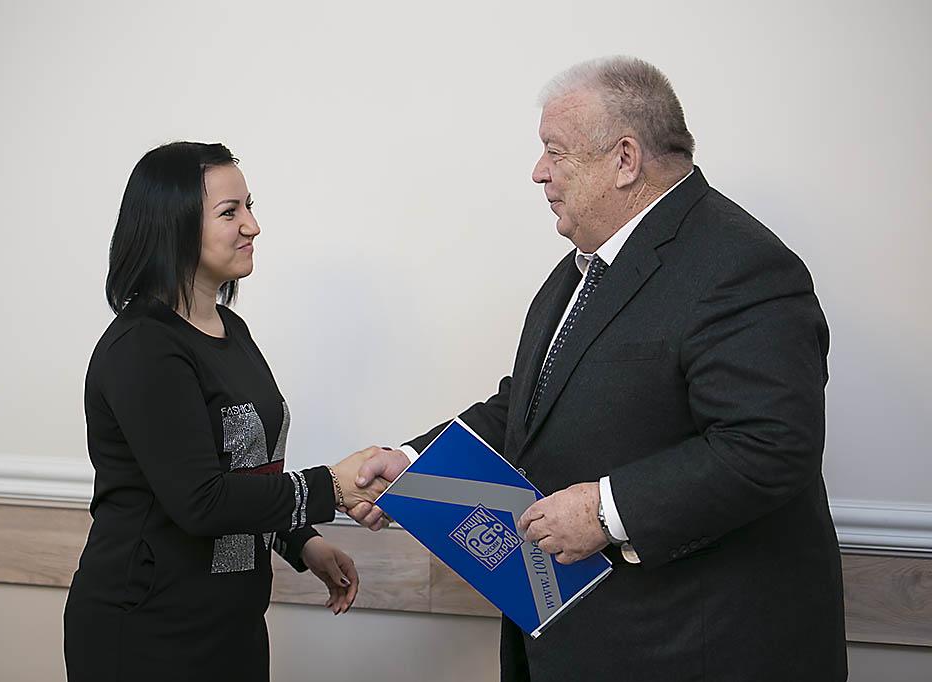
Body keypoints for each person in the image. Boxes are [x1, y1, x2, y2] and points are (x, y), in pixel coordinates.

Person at [348, 57, 847, 681]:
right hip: (584, 644)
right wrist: (416, 463)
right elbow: (529, 407)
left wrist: (605, 511)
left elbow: (769, 445)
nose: (538, 172)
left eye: (555, 152)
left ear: (625, 160)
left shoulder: (741, 264)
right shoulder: (581, 270)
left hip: (695, 653)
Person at [64, 141, 393, 681]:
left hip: (231, 626)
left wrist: (301, 540)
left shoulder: (231, 331)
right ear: (172, 225)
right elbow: (201, 500)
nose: (252, 226)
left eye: (249, 207)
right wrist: (331, 488)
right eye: (229, 212)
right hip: (147, 632)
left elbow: (243, 471)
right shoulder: (143, 346)